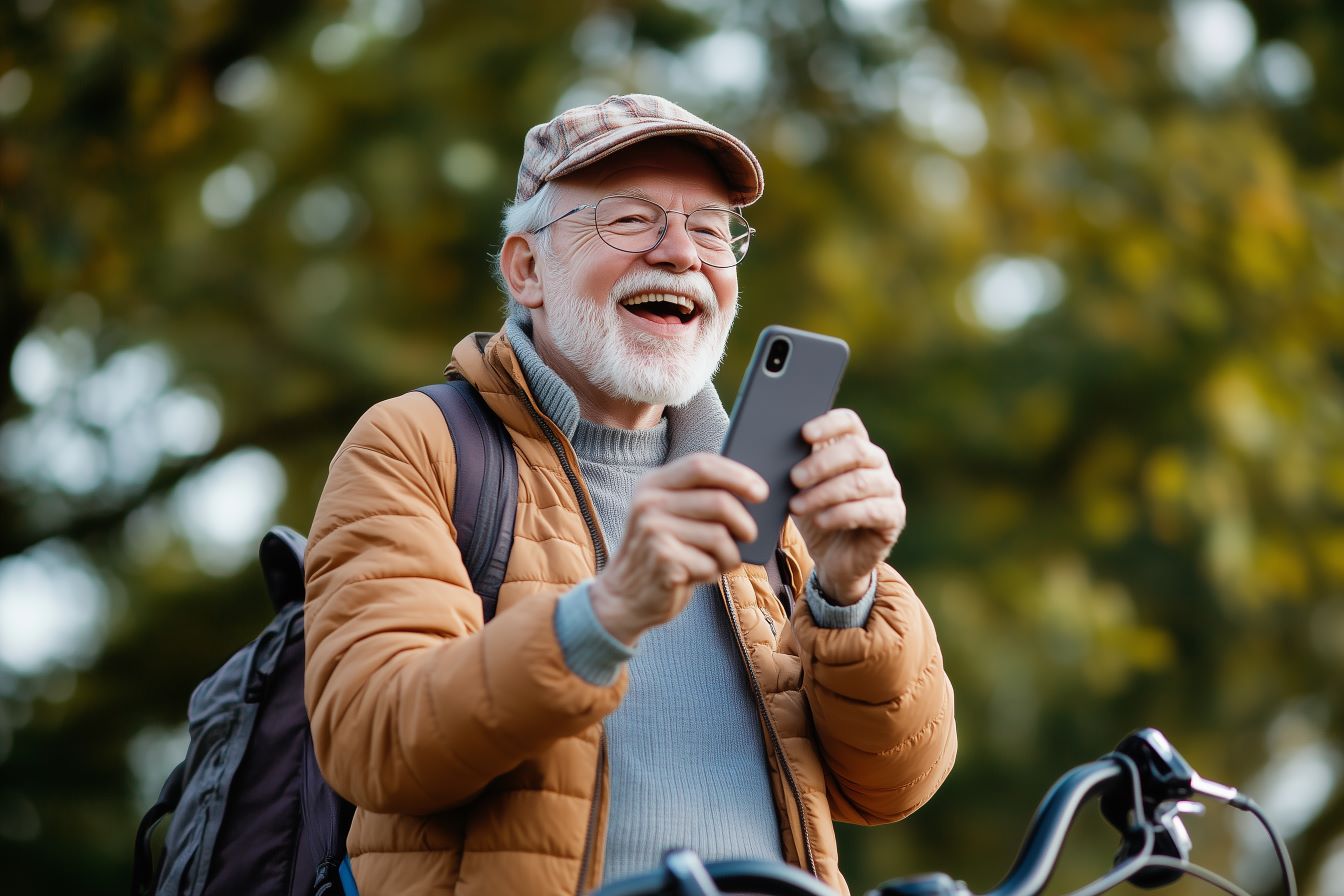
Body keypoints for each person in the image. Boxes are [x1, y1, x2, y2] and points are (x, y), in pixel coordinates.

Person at [303, 93, 957, 896]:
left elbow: (894, 784)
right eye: (629, 219)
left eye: (712, 229)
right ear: (526, 268)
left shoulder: (766, 493)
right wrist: (609, 610)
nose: (681, 253)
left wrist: (847, 594)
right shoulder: (419, 446)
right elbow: (376, 740)